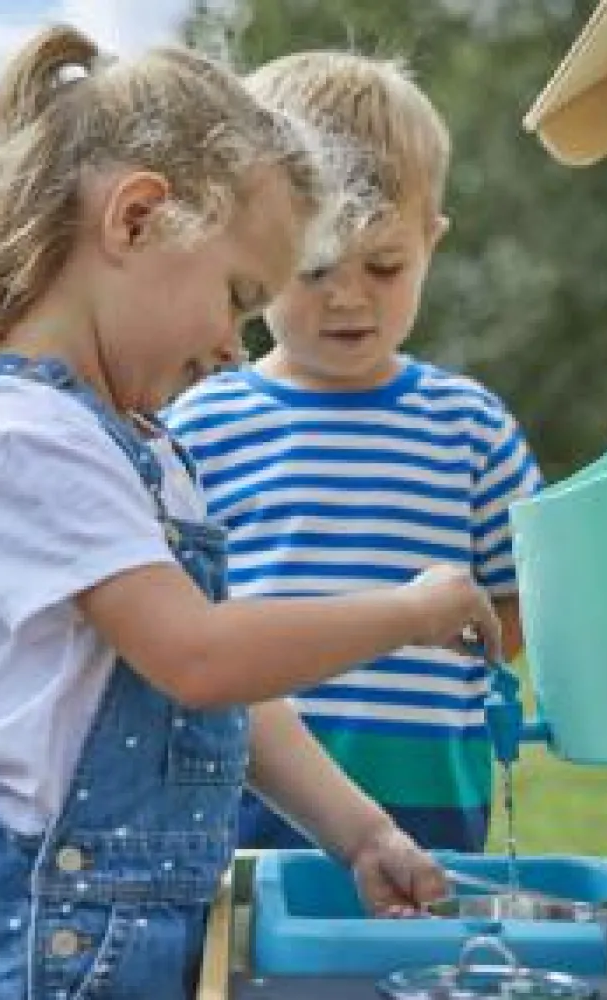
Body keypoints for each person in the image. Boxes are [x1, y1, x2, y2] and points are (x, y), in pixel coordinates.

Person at [0, 26, 502, 1000]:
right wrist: (407, 612)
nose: (234, 345)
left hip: (128, 944)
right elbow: (198, 652)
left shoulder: (142, 447)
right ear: (136, 219)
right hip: (45, 954)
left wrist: (360, 829)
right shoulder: (24, 437)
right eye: (236, 295)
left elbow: (218, 692)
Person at [164, 50, 542, 855]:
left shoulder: (470, 427)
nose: (347, 296)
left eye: (384, 265)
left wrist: (464, 674)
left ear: (431, 243)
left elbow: (523, 594)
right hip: (245, 791)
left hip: (433, 799)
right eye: (315, 268)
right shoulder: (199, 424)